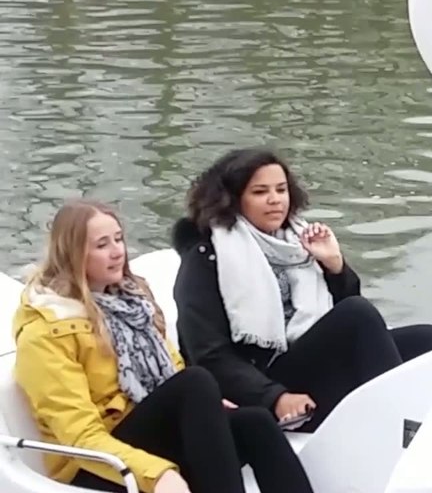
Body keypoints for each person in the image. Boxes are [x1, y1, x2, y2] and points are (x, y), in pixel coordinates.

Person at [12, 199, 314, 493]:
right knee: (196, 383)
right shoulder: (47, 331)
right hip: (94, 464)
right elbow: (79, 436)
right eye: (102, 245)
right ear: (72, 254)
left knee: (255, 422)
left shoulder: (134, 302)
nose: (117, 252)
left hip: (143, 433)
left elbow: (171, 373)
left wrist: (208, 406)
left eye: (118, 239)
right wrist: (156, 475)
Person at [171, 146, 432, 433]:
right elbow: (209, 354)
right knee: (356, 315)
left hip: (307, 357)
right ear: (232, 200)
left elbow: (349, 316)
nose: (275, 200)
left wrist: (335, 266)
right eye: (260, 192)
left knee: (430, 339)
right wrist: (274, 396)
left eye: (281, 190)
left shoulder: (295, 242)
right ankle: (399, 428)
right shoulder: (207, 257)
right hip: (263, 378)